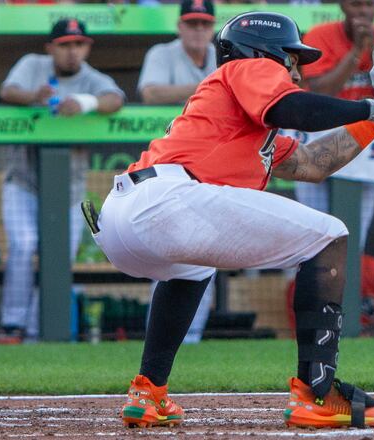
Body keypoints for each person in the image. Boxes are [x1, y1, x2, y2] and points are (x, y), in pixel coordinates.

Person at [88, 11, 374, 429]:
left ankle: (148, 392)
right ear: (268, 52)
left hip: (126, 219)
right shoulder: (249, 67)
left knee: (193, 266)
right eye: (292, 59)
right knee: (331, 235)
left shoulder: (245, 119)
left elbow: (314, 163)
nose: (297, 71)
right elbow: (294, 108)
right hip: (165, 199)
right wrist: (369, 103)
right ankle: (318, 393)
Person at [0, 19, 124, 344]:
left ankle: (41, 332)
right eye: (64, 44)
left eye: (78, 44)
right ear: (50, 47)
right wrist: (32, 96)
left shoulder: (92, 78)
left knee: (59, 257)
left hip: (69, 187)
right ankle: (13, 325)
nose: (72, 51)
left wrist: (83, 103)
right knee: (24, 246)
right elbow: (7, 91)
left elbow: (115, 99)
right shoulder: (33, 65)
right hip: (22, 179)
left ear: (87, 47)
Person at [295, 0, 374, 249]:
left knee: (352, 239)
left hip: (363, 148)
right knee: (308, 237)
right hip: (317, 142)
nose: (363, 12)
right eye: (356, 5)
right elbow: (319, 91)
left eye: (368, 5)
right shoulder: (320, 35)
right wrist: (357, 52)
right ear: (343, 7)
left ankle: (345, 285)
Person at [138, 0, 217, 344]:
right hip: (169, 166)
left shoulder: (224, 53)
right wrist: (212, 91)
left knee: (207, 253)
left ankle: (193, 338)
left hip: (211, 164)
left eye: (204, 23)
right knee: (170, 255)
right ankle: (160, 339)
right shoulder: (162, 53)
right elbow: (150, 93)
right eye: (191, 23)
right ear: (180, 26)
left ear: (212, 26)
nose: (198, 30)